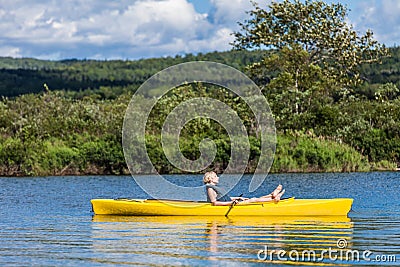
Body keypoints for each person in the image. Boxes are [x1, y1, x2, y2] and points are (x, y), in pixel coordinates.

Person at [203, 171, 285, 206]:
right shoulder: (210, 188)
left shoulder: (214, 187)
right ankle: (273, 200)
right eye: (215, 176)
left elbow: (222, 198)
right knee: (253, 200)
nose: (218, 177)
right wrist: (230, 203)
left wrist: (238, 198)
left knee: (252, 198)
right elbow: (214, 203)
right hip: (229, 205)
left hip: (231, 203)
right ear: (210, 179)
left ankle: (271, 195)